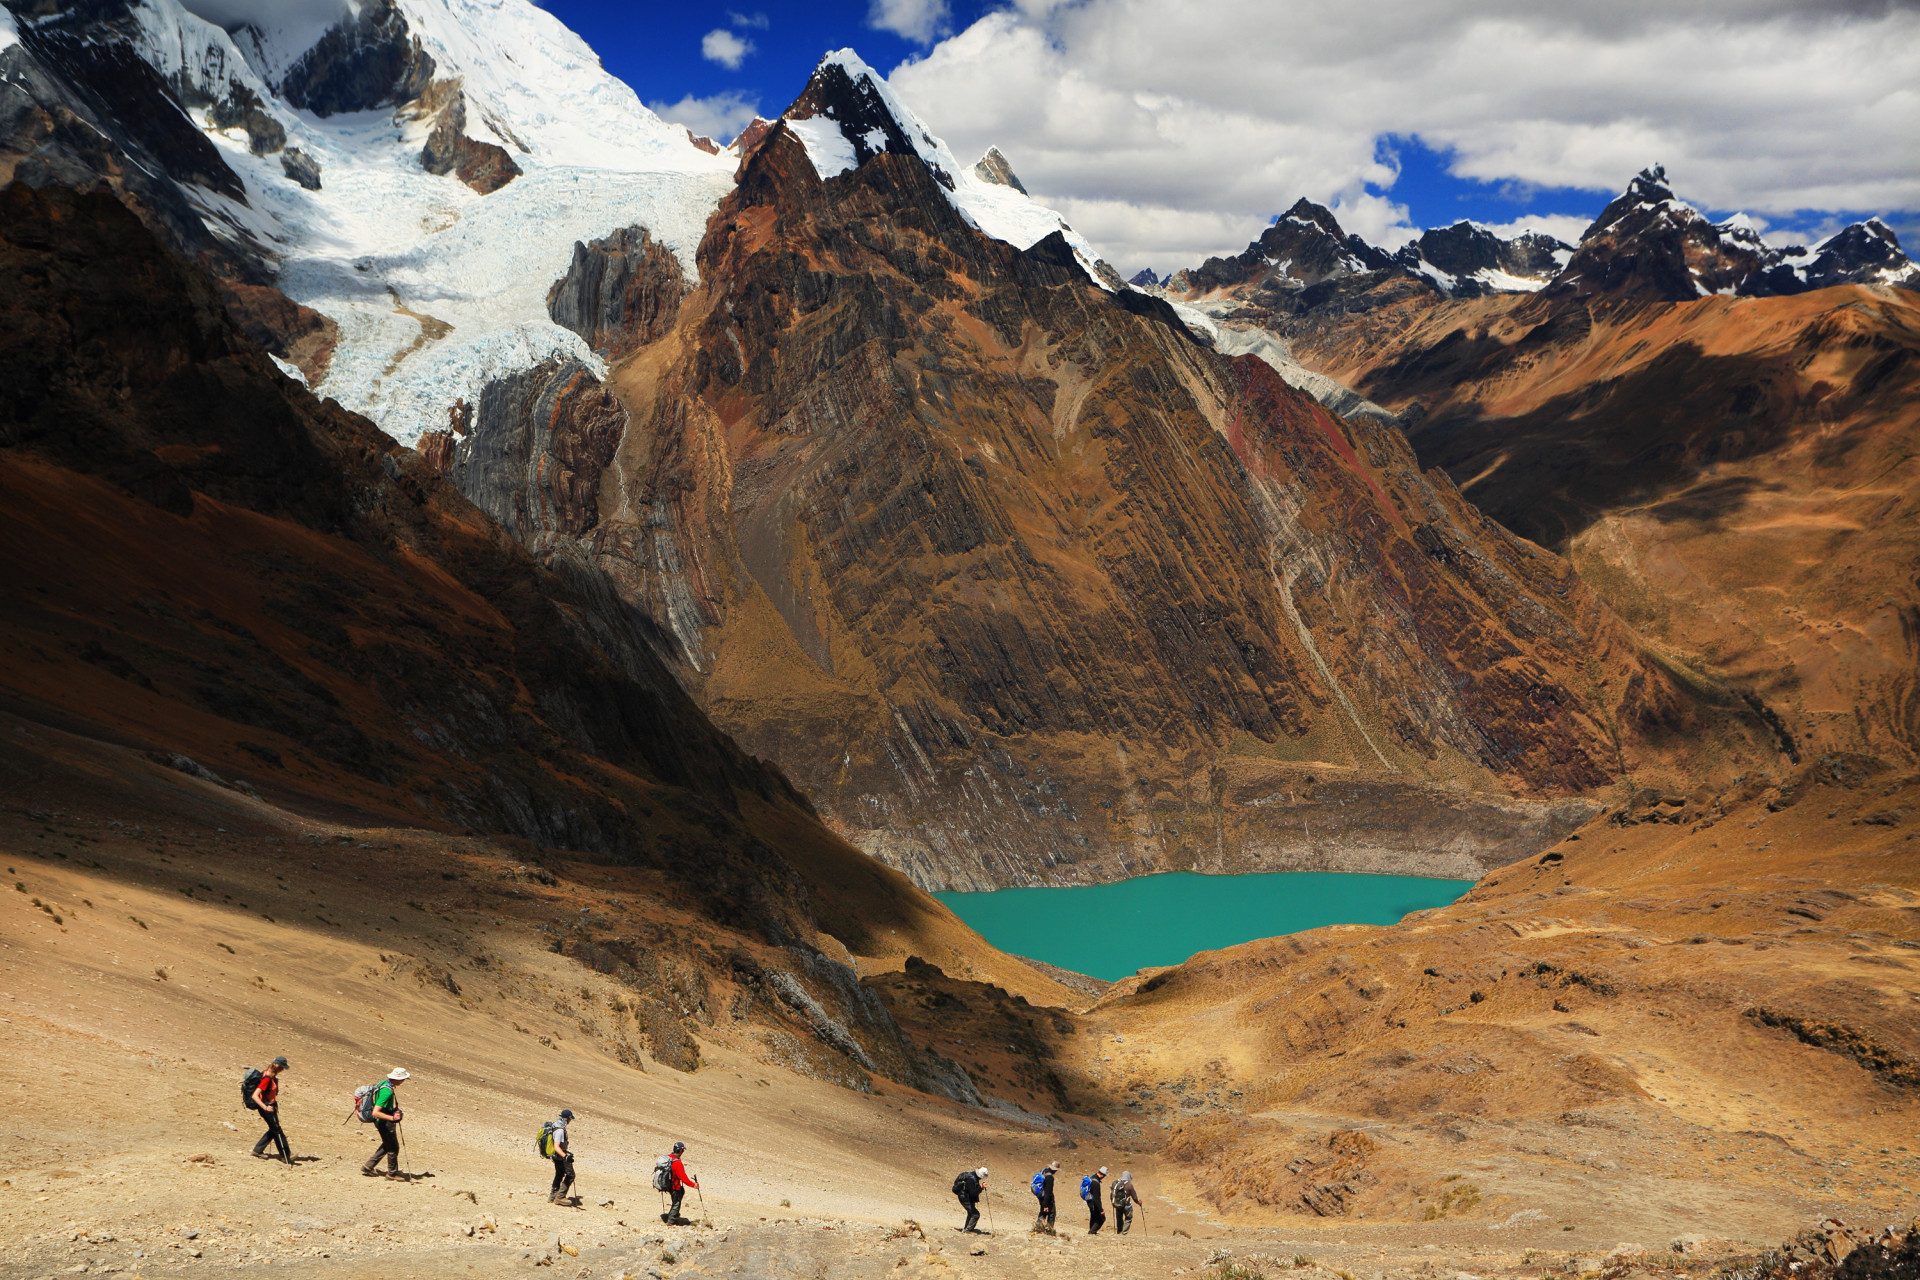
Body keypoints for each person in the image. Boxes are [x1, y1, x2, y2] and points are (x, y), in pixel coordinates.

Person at [360, 1067, 408, 1176]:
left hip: (381, 1121)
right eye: (403, 1079)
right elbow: (375, 1112)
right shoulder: (387, 1092)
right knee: (393, 1147)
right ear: (397, 1079)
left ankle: (368, 1166)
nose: (403, 1081)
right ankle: (392, 1174)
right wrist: (392, 1118)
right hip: (384, 1123)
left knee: (387, 1145)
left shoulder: (383, 1083)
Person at [249, 1056, 291, 1164]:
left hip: (270, 1106)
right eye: (282, 1067)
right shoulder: (267, 1078)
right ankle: (285, 1155)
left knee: (274, 1129)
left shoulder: (270, 1076)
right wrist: (265, 1107)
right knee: (277, 1131)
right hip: (267, 1108)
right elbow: (255, 1095)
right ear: (277, 1066)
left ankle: (257, 1150)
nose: (282, 1070)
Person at [663, 1141, 697, 1224]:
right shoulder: (677, 1163)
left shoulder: (668, 1158)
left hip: (668, 1185)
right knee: (676, 1203)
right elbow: (684, 1178)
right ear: (681, 1151)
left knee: (677, 1198)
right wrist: (693, 1185)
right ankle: (671, 1221)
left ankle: (673, 1215)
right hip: (675, 1186)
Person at [546, 1108, 575, 1203]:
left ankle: (552, 1196)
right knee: (570, 1175)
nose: (570, 1121)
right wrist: (565, 1156)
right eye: (570, 1119)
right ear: (566, 1119)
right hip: (560, 1155)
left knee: (559, 1174)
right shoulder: (560, 1130)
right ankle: (560, 1197)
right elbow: (556, 1146)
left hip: (556, 1156)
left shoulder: (555, 1125)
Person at [954, 1166, 986, 1233]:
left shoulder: (971, 1175)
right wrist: (981, 1188)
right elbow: (973, 1193)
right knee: (976, 1214)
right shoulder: (971, 1179)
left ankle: (966, 1228)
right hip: (965, 1198)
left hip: (964, 1196)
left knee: (971, 1213)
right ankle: (968, 1230)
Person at [1032, 1161, 1059, 1233]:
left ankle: (1037, 1227)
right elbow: (1048, 1192)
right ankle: (1049, 1230)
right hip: (1046, 1198)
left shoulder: (1043, 1171)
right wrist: (1046, 1205)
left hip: (1040, 1195)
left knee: (1043, 1212)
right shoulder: (1050, 1177)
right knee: (1051, 1213)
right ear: (1055, 1170)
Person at [1112, 1170, 1140, 1234]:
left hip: (1117, 1204)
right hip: (1127, 1205)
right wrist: (1138, 1202)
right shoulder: (1129, 1185)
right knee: (1128, 1218)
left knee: (1119, 1218)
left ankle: (1119, 1232)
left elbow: (1112, 1194)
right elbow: (1134, 1197)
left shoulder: (1116, 1184)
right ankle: (1124, 1232)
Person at [1083, 1165, 1107, 1234]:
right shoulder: (1096, 1183)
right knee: (1101, 1218)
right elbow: (1096, 1198)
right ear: (1102, 1175)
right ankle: (1092, 1232)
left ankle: (1091, 1230)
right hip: (1094, 1203)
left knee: (1093, 1216)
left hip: (1089, 1201)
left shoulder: (1092, 1177)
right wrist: (1101, 1209)